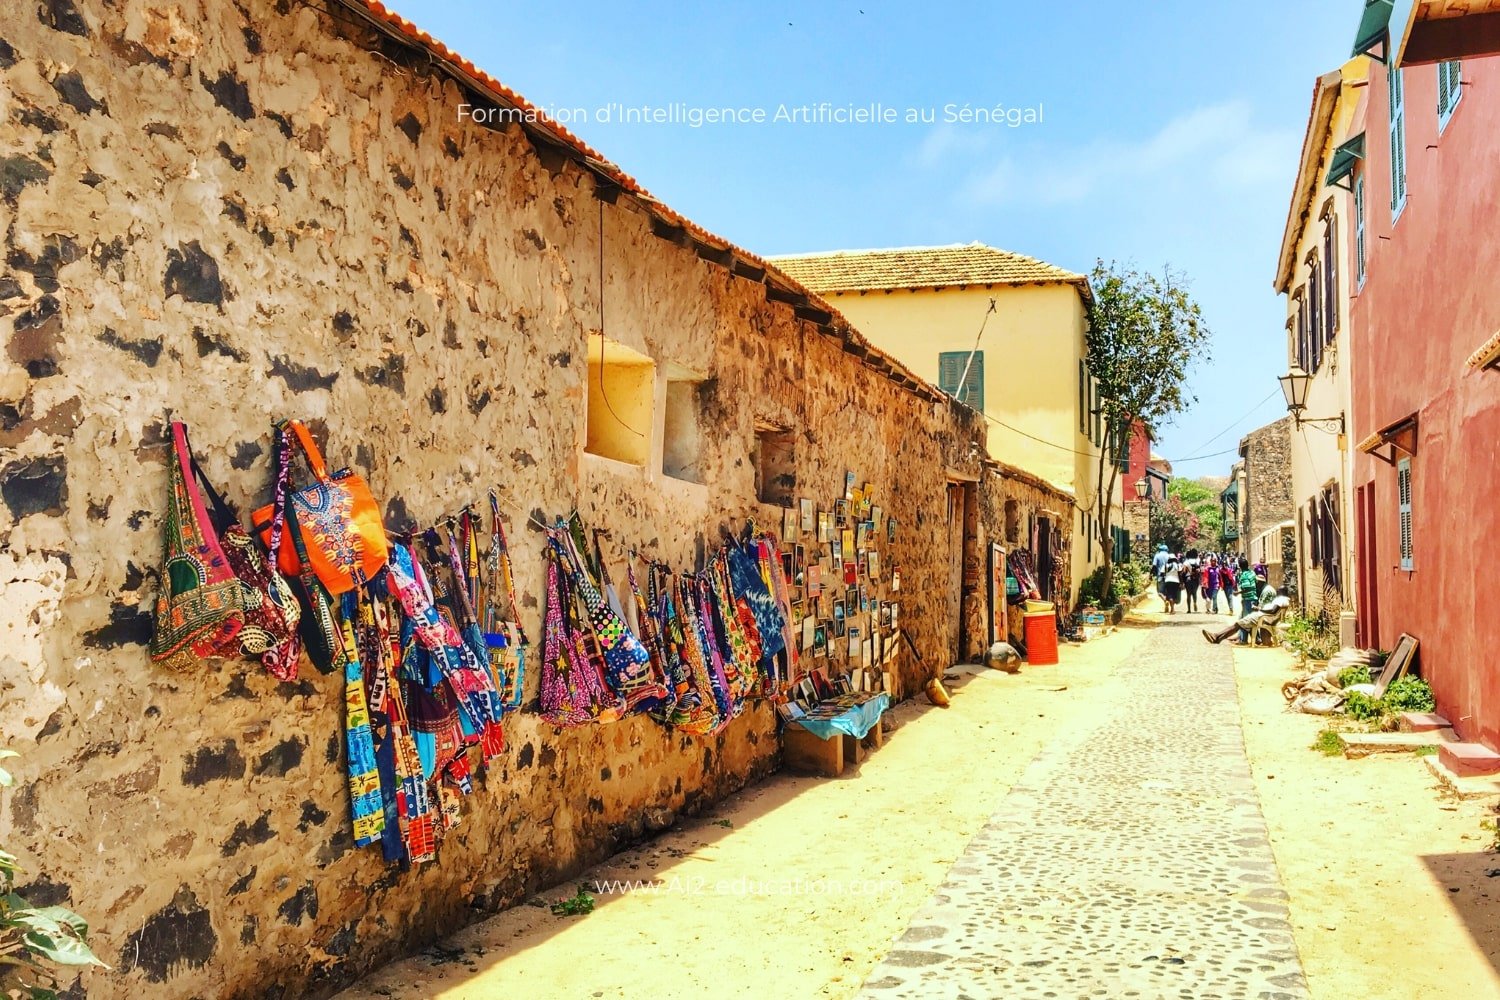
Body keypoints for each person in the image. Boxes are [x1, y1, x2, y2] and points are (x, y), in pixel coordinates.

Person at [1202, 584, 1290, 645]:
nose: (1277, 591)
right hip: (1265, 617)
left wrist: (1261, 610)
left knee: (1238, 624)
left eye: (1278, 590)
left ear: (1281, 591)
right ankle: (1218, 638)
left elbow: (1273, 611)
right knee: (1240, 624)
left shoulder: (1281, 599)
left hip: (1262, 617)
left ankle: (1216, 636)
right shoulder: (1285, 600)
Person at [1182, 548, 1201, 614]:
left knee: (1188, 594)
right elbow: (1199, 571)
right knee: (1194, 593)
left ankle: (1189, 609)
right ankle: (1195, 602)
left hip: (1188, 579)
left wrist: (1182, 582)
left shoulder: (1186, 562)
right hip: (1195, 579)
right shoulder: (1197, 561)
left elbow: (1183, 572)